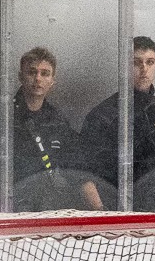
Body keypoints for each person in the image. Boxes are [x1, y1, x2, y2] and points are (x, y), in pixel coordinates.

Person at [81, 35, 155, 179]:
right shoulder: (102, 116)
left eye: (150, 62)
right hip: (121, 192)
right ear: (125, 67)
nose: (144, 69)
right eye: (136, 62)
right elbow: (88, 176)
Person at [10, 47, 99, 208]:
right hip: (8, 205)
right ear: (20, 77)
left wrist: (99, 210)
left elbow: (77, 167)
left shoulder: (57, 120)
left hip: (47, 206)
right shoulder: (1, 114)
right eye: (32, 72)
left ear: (52, 81)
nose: (38, 78)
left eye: (45, 73)